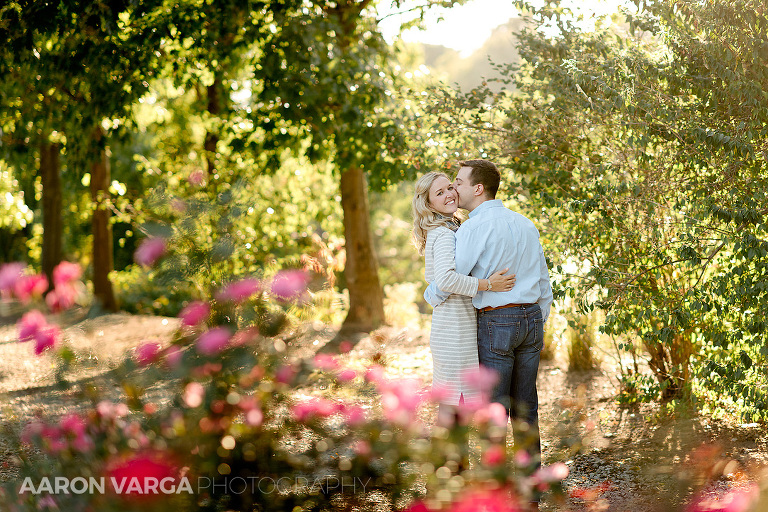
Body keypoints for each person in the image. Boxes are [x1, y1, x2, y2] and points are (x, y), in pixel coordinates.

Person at [424, 159, 553, 472]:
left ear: (477, 188)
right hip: (532, 319)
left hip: (497, 323)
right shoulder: (525, 223)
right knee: (526, 411)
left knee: (493, 411)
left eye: (458, 182)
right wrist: (538, 319)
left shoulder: (472, 228)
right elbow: (544, 282)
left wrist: (430, 294)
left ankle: (494, 488)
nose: (454, 188)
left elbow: (451, 277)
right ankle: (530, 491)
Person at [412, 171, 516, 427]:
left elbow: (439, 282)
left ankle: (452, 465)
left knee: (456, 402)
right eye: (439, 193)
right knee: (454, 403)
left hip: (457, 323)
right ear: (428, 204)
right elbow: (446, 280)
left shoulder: (451, 227)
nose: (449, 194)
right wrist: (488, 284)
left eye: (449, 187)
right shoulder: (444, 233)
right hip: (453, 329)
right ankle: (449, 465)